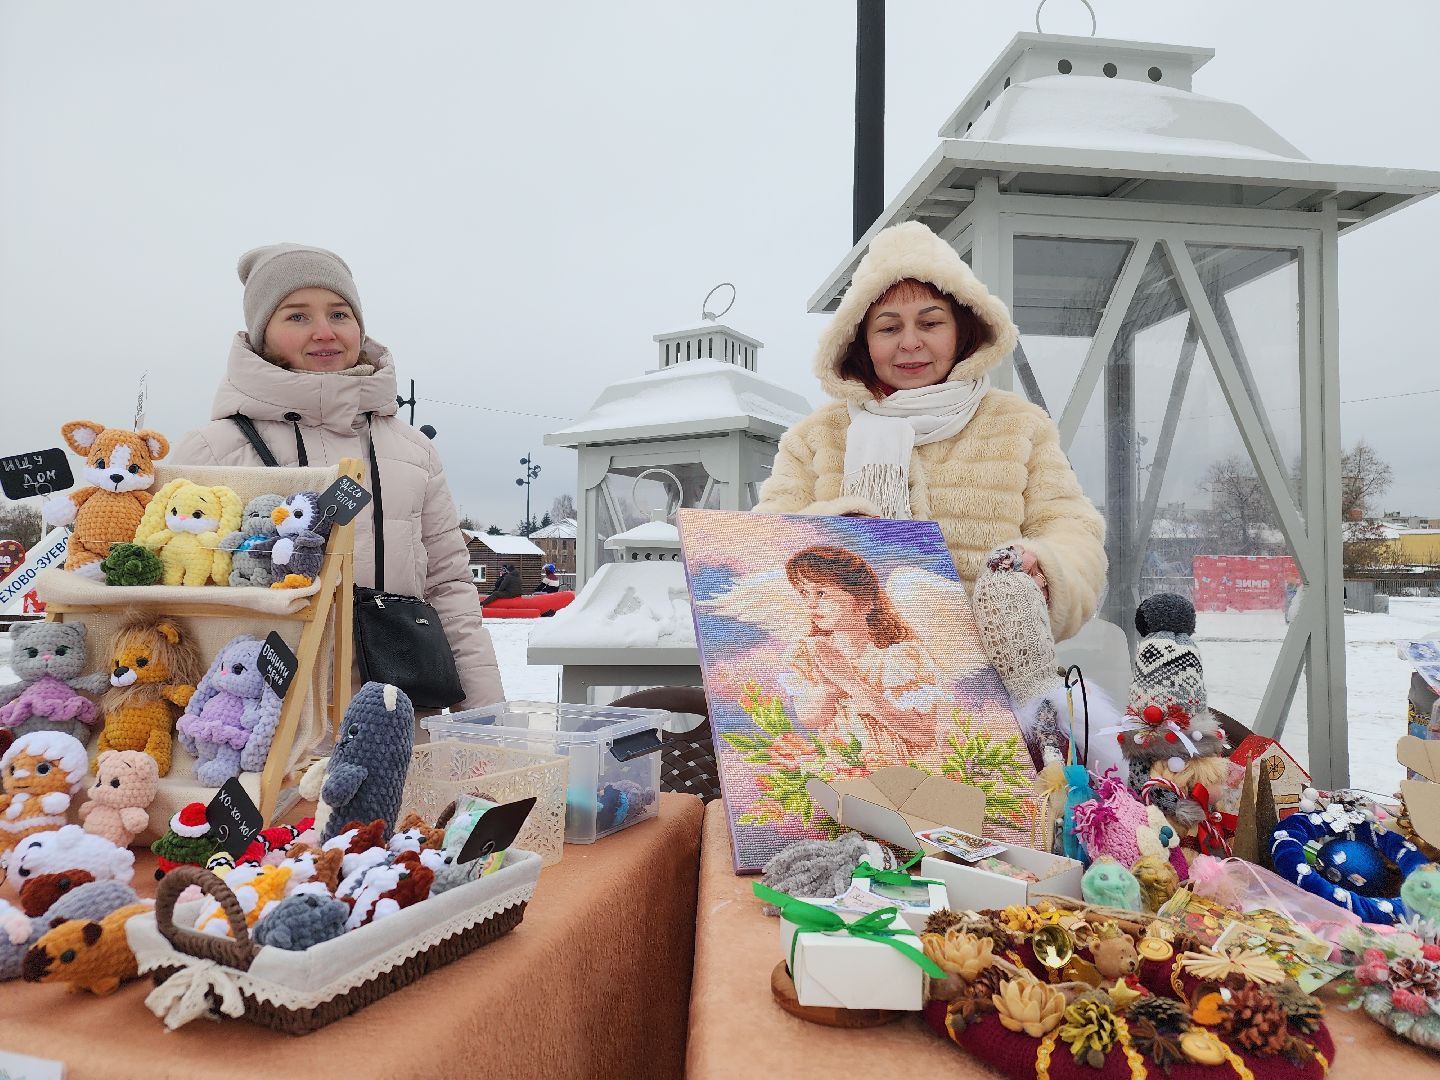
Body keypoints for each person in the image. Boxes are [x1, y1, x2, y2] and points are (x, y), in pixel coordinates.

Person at [171, 243, 502, 709]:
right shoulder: (213, 450)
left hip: (399, 717)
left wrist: (485, 720)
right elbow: (178, 600)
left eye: (339, 314)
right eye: (297, 316)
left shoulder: (413, 452)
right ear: (262, 334)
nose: (324, 332)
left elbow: (449, 588)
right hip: (261, 721)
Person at [754, 222, 1105, 642]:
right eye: (889, 328)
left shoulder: (1018, 425)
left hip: (995, 672)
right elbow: (762, 546)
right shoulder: (815, 438)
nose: (910, 343)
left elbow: (1073, 530)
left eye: (930, 323)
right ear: (861, 342)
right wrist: (832, 532)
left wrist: (1042, 568)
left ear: (962, 330)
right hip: (858, 671)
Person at [779, 545, 945, 763]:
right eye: (804, 593)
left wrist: (851, 683)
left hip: (905, 767)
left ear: (863, 600)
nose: (810, 604)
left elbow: (923, 733)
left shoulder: (902, 657)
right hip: (846, 770)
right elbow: (809, 719)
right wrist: (830, 688)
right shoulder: (809, 653)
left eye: (821, 593)